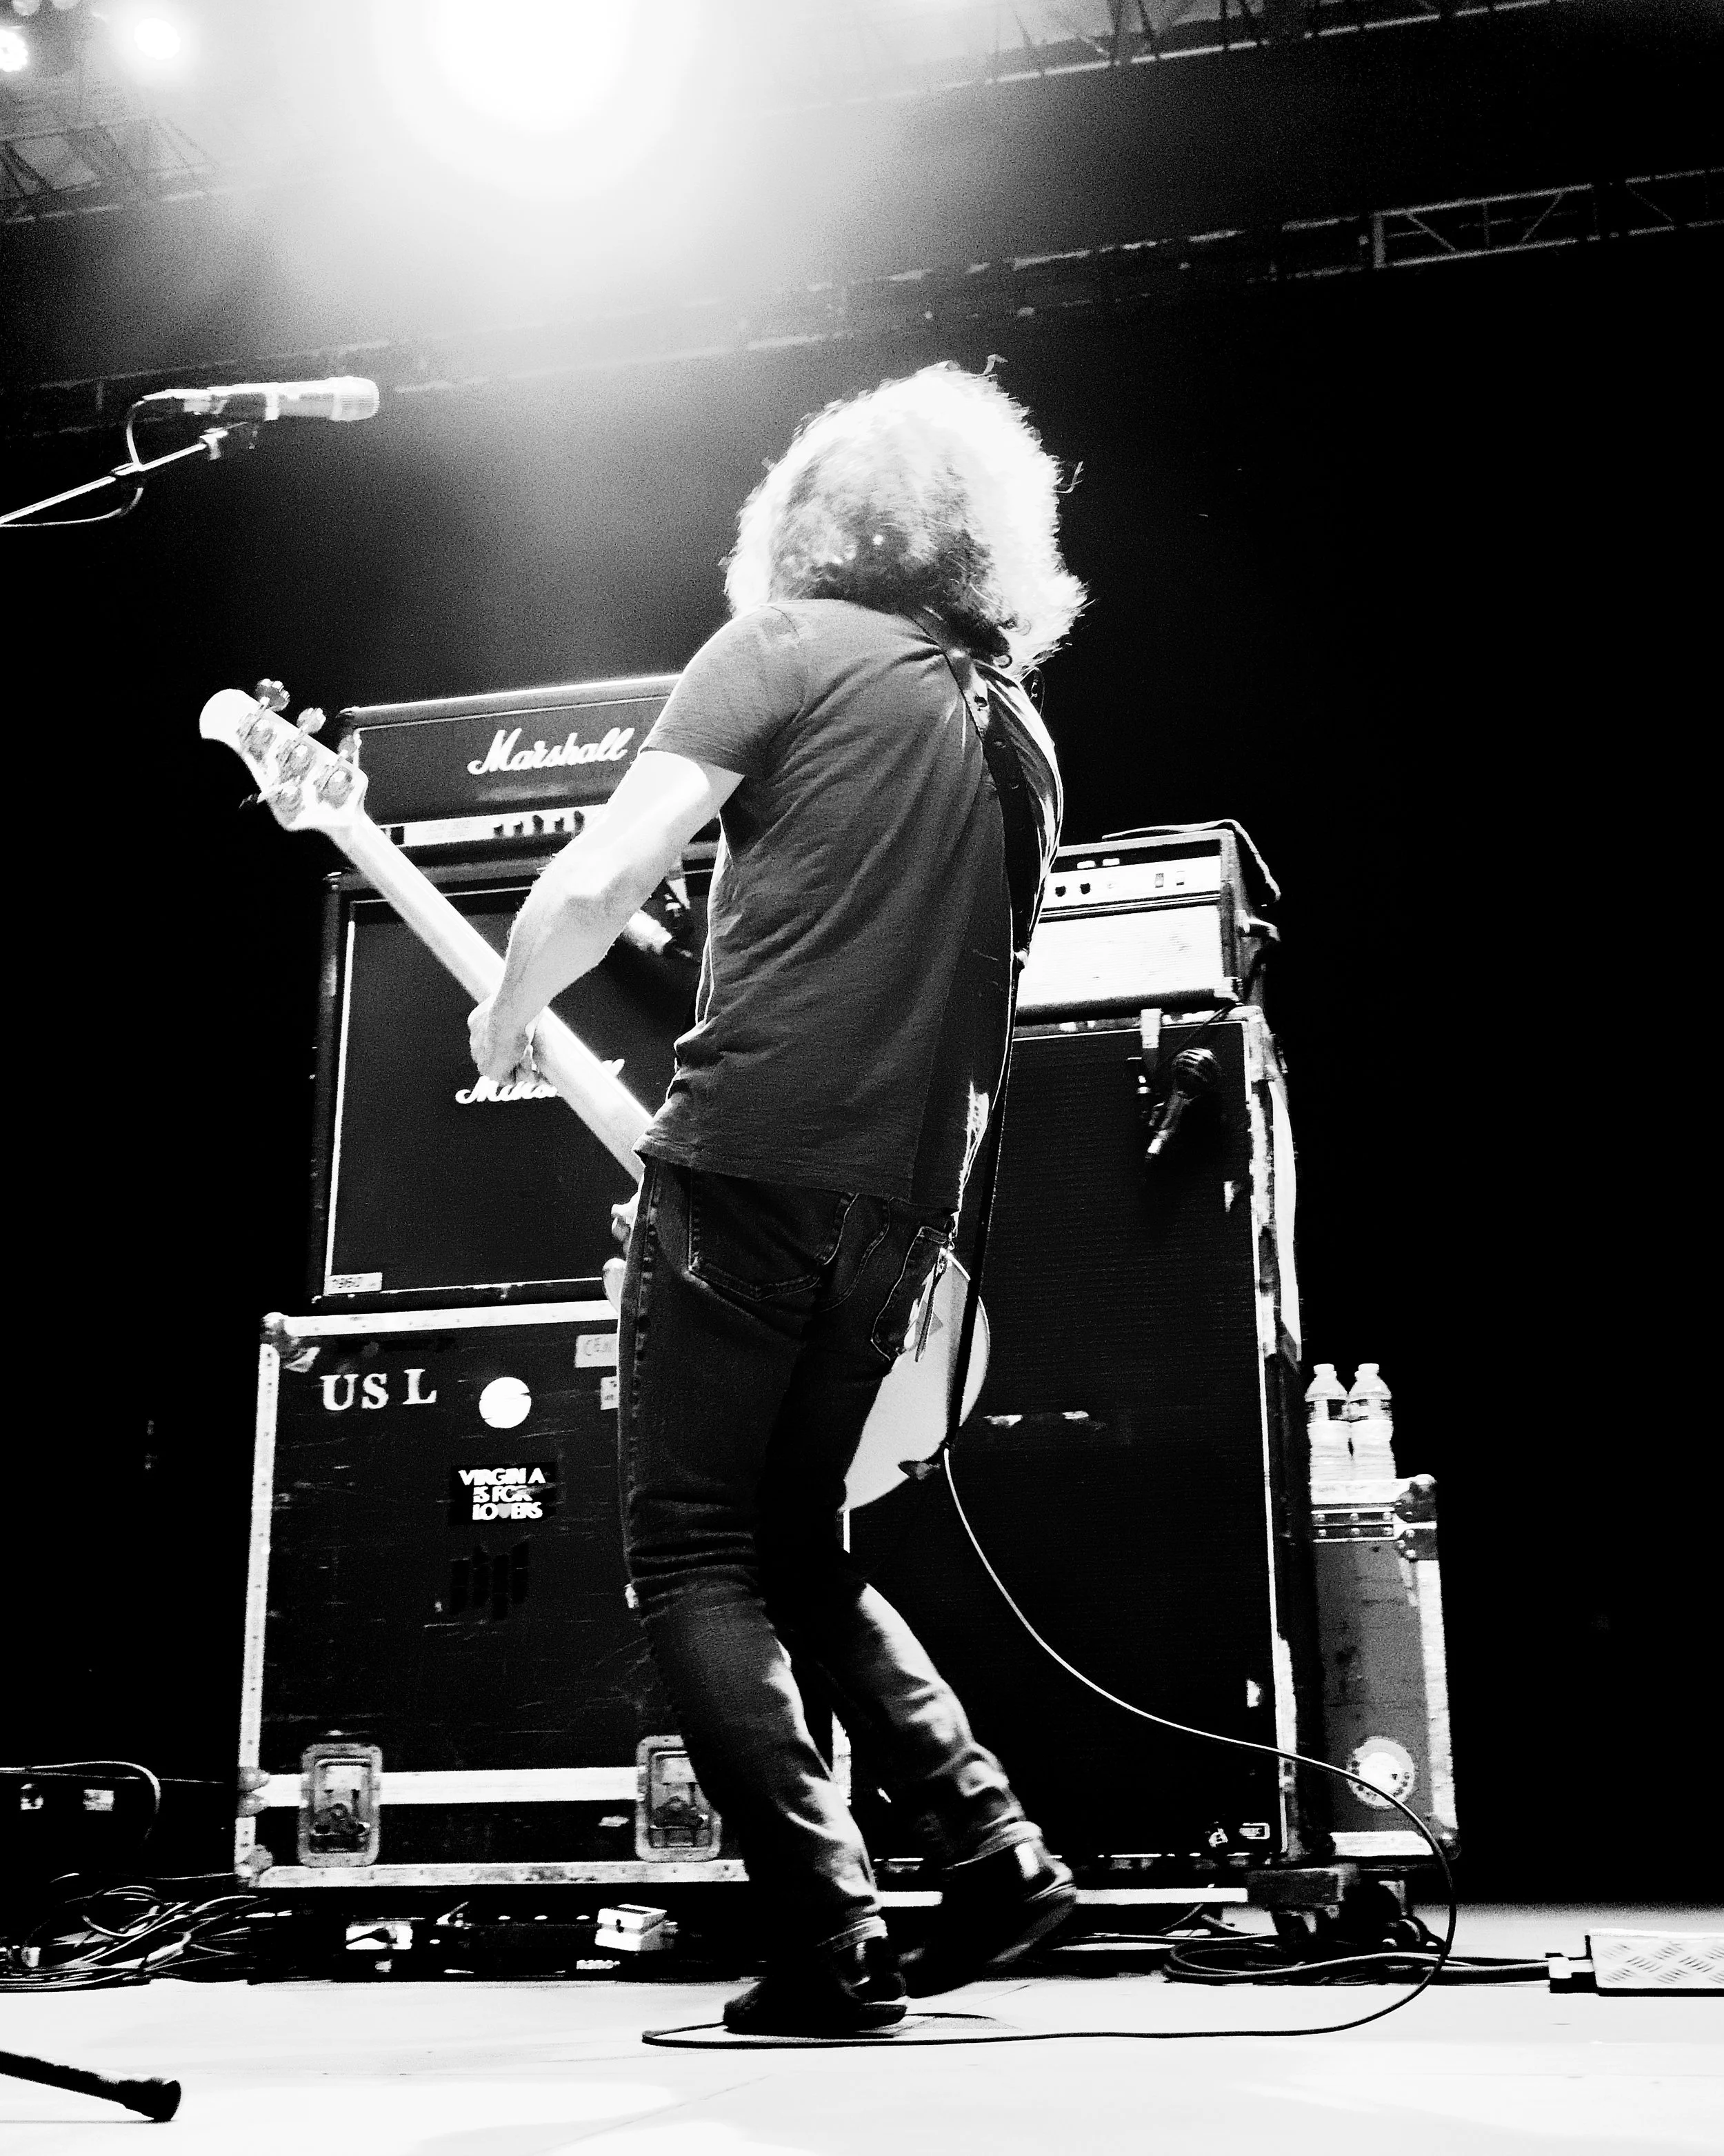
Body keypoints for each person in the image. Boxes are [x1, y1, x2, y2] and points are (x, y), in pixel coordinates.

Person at [468, 362, 1085, 2035]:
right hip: (906, 1207)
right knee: (800, 1546)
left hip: (749, 1168)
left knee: (691, 1554)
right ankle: (992, 1856)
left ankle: (828, 1936)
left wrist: (513, 997)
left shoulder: (780, 647)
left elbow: (601, 872)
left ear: (809, 522)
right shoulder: (1013, 729)